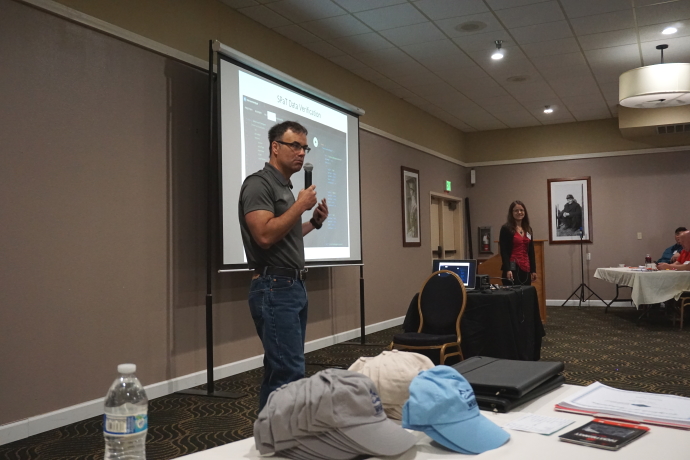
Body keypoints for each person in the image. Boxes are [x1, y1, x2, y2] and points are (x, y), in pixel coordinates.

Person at [238, 120, 329, 410]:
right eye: (295, 145)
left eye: (305, 147)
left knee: (281, 369)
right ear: (275, 147)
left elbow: (283, 232)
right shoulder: (258, 184)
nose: (302, 153)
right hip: (274, 288)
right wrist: (300, 206)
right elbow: (264, 235)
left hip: (292, 286)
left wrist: (313, 223)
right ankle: (282, 443)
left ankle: (269, 436)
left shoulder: (285, 188)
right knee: (288, 372)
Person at [499, 201, 537, 286]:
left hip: (526, 266)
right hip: (512, 265)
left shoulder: (528, 229)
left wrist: (533, 270)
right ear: (511, 213)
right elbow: (504, 251)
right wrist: (508, 269)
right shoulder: (506, 228)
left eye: (521, 210)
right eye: (516, 210)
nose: (519, 212)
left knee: (526, 293)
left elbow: (531, 250)